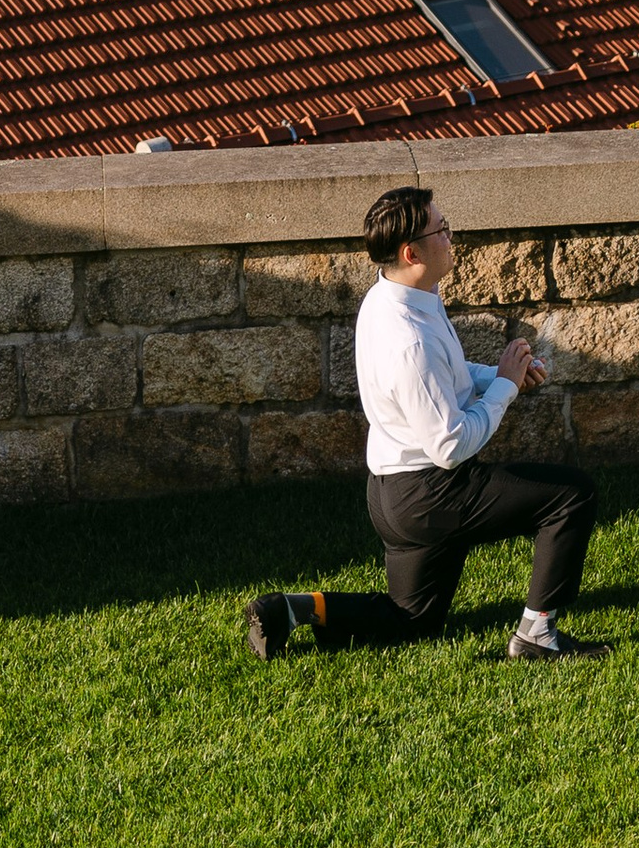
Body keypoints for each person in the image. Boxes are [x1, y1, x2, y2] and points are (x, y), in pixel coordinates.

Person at [245, 183, 606, 663]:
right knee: (571, 496)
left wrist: (499, 376)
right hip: (431, 494)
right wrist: (505, 388)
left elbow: (447, 378)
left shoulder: (395, 295)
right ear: (411, 251)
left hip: (394, 494)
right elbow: (451, 445)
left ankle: (290, 610)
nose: (451, 236)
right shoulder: (408, 340)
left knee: (411, 621)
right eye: (443, 229)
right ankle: (537, 636)